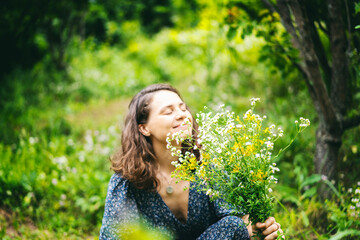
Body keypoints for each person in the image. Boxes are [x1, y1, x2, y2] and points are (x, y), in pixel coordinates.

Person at [100, 84, 284, 240]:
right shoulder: (126, 183)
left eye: (183, 108)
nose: (182, 114)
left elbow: (239, 224)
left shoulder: (208, 170)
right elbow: (114, 236)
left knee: (234, 225)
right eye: (169, 111)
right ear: (144, 128)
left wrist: (260, 229)